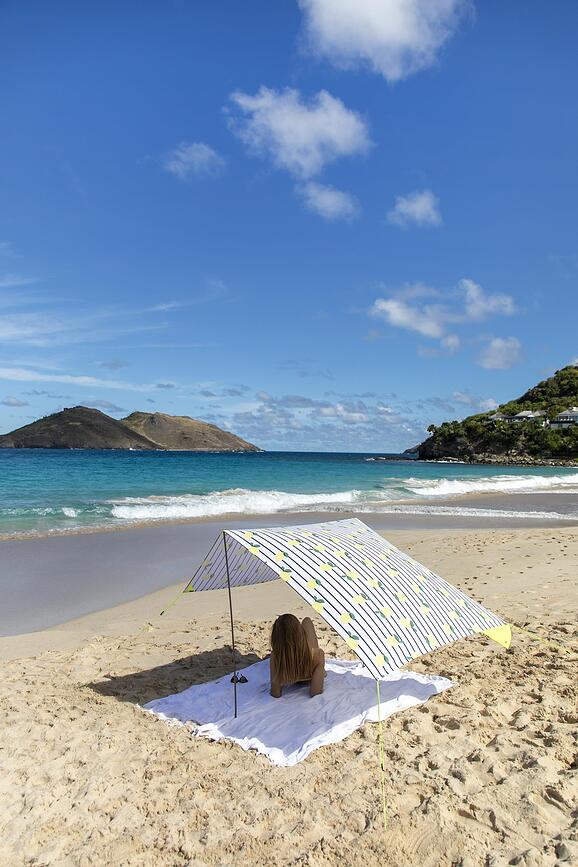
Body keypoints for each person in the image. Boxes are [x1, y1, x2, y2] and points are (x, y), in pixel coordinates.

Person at [269, 613, 325, 698]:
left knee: (287, 630)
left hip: (288, 673)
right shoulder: (318, 655)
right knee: (307, 621)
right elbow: (315, 692)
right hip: (308, 667)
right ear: (301, 634)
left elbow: (275, 693)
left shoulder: (275, 657)